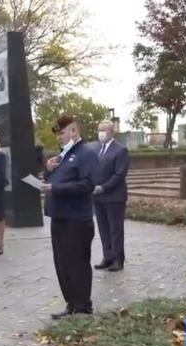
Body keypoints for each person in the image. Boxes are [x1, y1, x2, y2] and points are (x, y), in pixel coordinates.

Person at [41, 115, 98, 319]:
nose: (59, 138)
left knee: (77, 263)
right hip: (59, 216)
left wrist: (55, 188)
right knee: (62, 263)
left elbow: (87, 184)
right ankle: (71, 303)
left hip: (76, 219)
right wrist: (48, 173)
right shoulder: (64, 154)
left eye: (62, 133)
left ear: (74, 131)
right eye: (58, 134)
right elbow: (58, 178)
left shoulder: (85, 153)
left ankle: (83, 306)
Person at [92, 120, 129, 272]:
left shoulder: (120, 150)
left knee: (115, 229)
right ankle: (107, 257)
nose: (101, 133)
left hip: (114, 196)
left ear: (112, 132)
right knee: (103, 228)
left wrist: (104, 187)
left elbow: (119, 174)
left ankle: (118, 259)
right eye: (99, 129)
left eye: (104, 130)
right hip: (97, 196)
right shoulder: (96, 149)